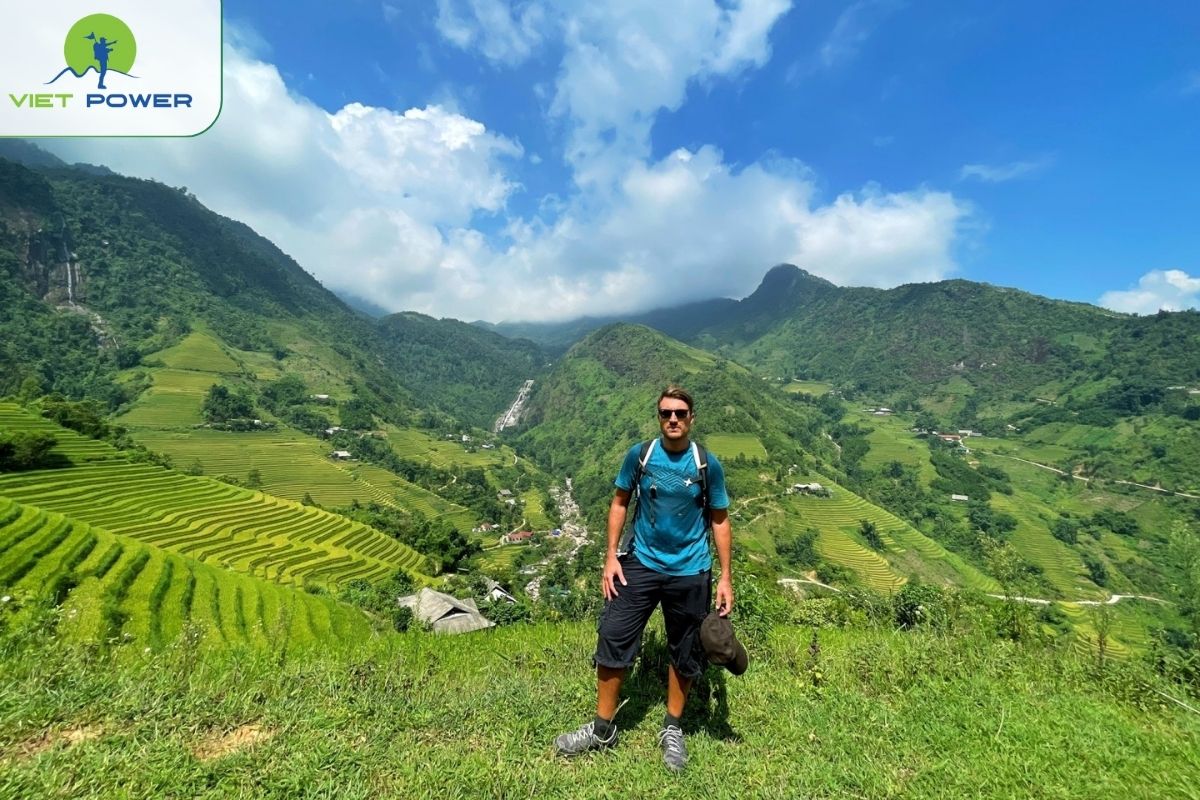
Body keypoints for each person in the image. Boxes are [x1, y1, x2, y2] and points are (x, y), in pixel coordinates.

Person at [554, 386, 732, 772]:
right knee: (614, 633)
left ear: (691, 419)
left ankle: (673, 728)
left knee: (685, 649)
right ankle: (602, 729)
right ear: (658, 417)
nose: (673, 419)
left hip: (690, 569)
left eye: (680, 414)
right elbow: (619, 502)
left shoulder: (706, 464)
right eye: (666, 413)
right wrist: (610, 557)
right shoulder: (641, 455)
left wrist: (725, 577)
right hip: (641, 561)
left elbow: (720, 519)